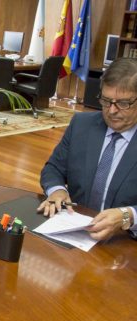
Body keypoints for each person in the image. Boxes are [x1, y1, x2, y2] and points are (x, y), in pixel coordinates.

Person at [38, 57, 137, 241]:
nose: (112, 111)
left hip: (125, 243)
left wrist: (127, 216)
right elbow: (53, 168)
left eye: (123, 104)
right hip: (75, 234)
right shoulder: (81, 124)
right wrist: (57, 190)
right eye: (106, 101)